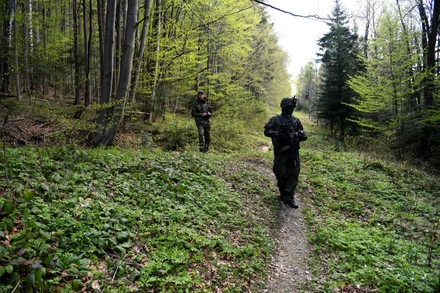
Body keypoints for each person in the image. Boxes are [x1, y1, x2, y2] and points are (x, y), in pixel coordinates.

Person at [264, 97, 307, 208]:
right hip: (281, 152)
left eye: (292, 107)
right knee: (279, 172)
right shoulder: (275, 119)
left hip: (293, 151)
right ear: (284, 107)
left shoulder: (296, 120)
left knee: (293, 173)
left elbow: (301, 132)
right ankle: (283, 192)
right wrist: (278, 134)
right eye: (289, 107)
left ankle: (289, 197)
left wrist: (302, 136)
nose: (291, 109)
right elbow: (267, 131)